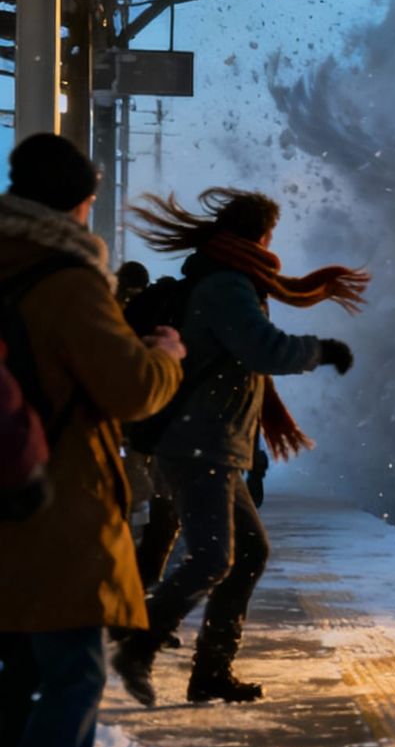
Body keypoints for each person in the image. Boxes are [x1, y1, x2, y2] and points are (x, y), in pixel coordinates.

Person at [0, 134, 183, 747]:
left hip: (7, 491)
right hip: (54, 500)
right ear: (80, 202)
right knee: (72, 672)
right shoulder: (70, 280)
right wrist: (165, 353)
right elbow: (130, 388)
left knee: (15, 674)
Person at [111, 190, 365, 707]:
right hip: (199, 444)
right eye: (273, 233)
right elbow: (264, 349)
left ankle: (211, 671)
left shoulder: (227, 278)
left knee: (248, 554)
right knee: (212, 558)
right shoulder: (227, 286)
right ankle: (139, 645)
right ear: (262, 235)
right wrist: (323, 350)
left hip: (209, 444)